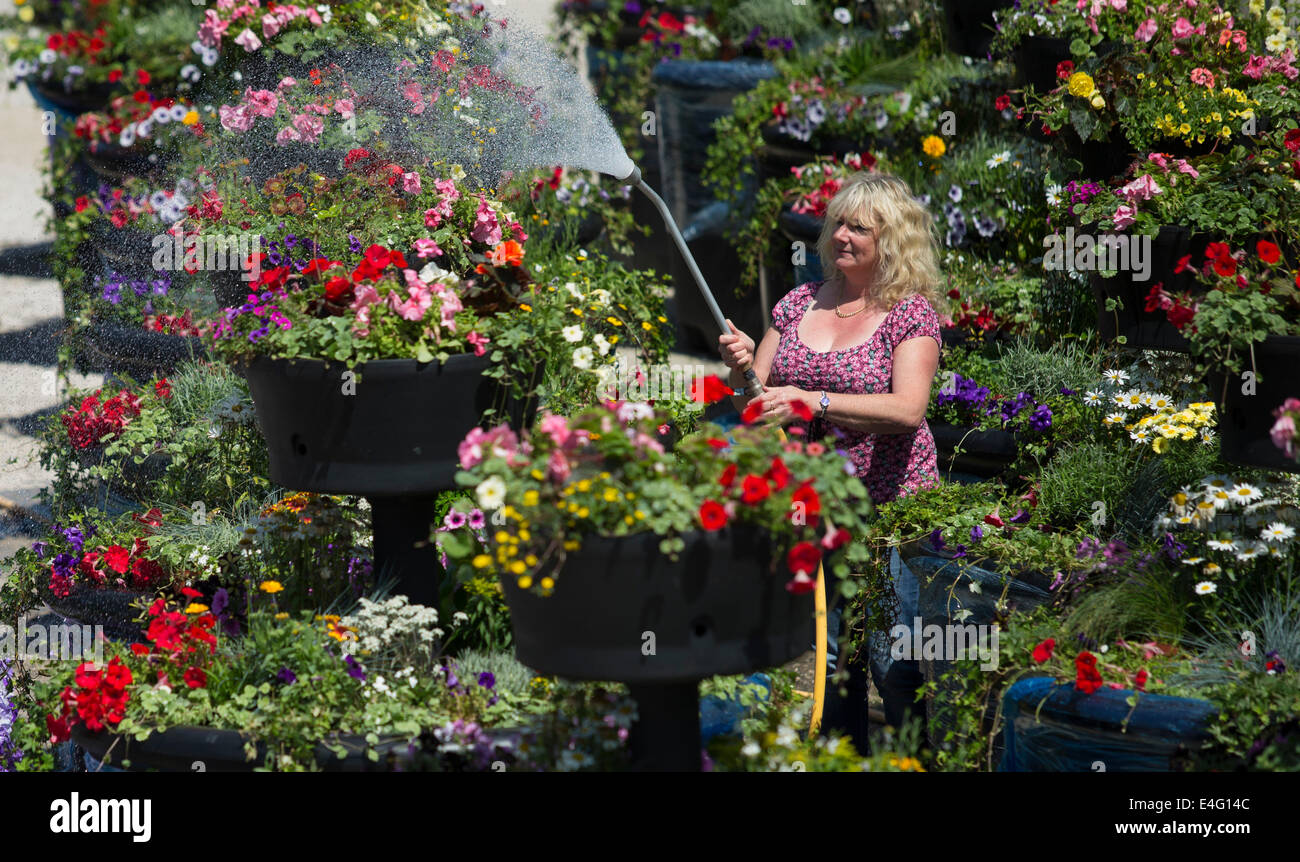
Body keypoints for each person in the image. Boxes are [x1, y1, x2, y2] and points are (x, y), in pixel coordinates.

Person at [717, 171, 943, 750]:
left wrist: (812, 400)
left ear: (891, 241)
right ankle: (845, 759)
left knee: (894, 659)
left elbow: (907, 410)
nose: (841, 235)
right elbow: (755, 401)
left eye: (859, 227)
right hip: (813, 506)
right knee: (831, 654)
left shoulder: (908, 313)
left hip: (890, 509)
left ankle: (913, 761)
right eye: (838, 222)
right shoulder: (797, 303)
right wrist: (740, 364)